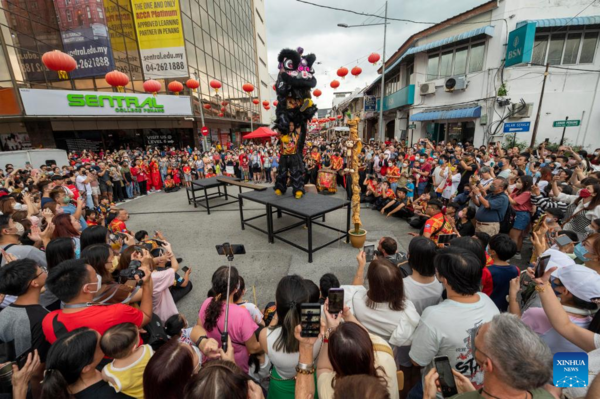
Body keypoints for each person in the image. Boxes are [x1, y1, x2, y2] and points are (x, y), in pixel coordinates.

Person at [409, 247, 499, 396]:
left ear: (444, 278)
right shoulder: (486, 300)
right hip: (478, 388)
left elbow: (417, 360)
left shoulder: (433, 315)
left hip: (441, 392)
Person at [423, 314, 555, 399]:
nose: (476, 333)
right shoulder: (546, 396)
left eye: (478, 334)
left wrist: (428, 397)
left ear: (487, 364)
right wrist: (472, 393)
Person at [41, 258, 153, 344]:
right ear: (87, 288)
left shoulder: (49, 320)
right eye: (95, 276)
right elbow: (146, 316)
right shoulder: (116, 312)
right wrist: (147, 284)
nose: (99, 278)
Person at [317, 306, 400, 399]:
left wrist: (330, 331)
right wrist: (348, 315)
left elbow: (323, 368)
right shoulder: (385, 354)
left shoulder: (330, 391)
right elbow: (368, 338)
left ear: (336, 363)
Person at [342, 255, 420, 348]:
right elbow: (405, 340)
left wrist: (361, 266)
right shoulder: (406, 313)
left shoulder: (355, 299)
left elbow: (354, 288)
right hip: (385, 353)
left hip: (359, 345)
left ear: (371, 282)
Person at [521, 265, 596, 354]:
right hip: (563, 367)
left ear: (565, 291)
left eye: (554, 282)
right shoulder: (594, 324)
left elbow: (512, 339)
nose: (551, 283)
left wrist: (513, 296)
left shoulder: (536, 314)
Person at [199, 265, 261, 373]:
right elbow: (253, 348)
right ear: (236, 288)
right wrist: (268, 342)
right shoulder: (242, 314)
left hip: (212, 361)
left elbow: (199, 328)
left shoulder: (207, 302)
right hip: (235, 366)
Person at [0, 259, 49, 397]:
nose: (44, 271)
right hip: (26, 390)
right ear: (34, 283)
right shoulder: (42, 318)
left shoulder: (4, 312)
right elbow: (37, 371)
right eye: (41, 270)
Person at [40, 327, 130, 399]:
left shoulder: (64, 377)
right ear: (86, 367)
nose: (106, 341)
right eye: (101, 343)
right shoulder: (109, 395)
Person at [100, 323, 154, 399]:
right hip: (154, 390)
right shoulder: (147, 350)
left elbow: (105, 379)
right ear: (134, 347)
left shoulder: (108, 372)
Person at [486, 234, 519, 312]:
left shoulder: (486, 271)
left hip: (487, 305)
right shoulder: (516, 269)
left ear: (493, 252)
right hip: (504, 305)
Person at [508, 176, 534, 258]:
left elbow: (514, 202)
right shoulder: (519, 191)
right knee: (518, 236)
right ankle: (517, 252)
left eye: (519, 182)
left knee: (514, 236)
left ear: (526, 183)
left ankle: (511, 253)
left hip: (521, 215)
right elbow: (511, 195)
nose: (517, 183)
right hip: (516, 213)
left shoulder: (527, 193)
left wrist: (505, 193)